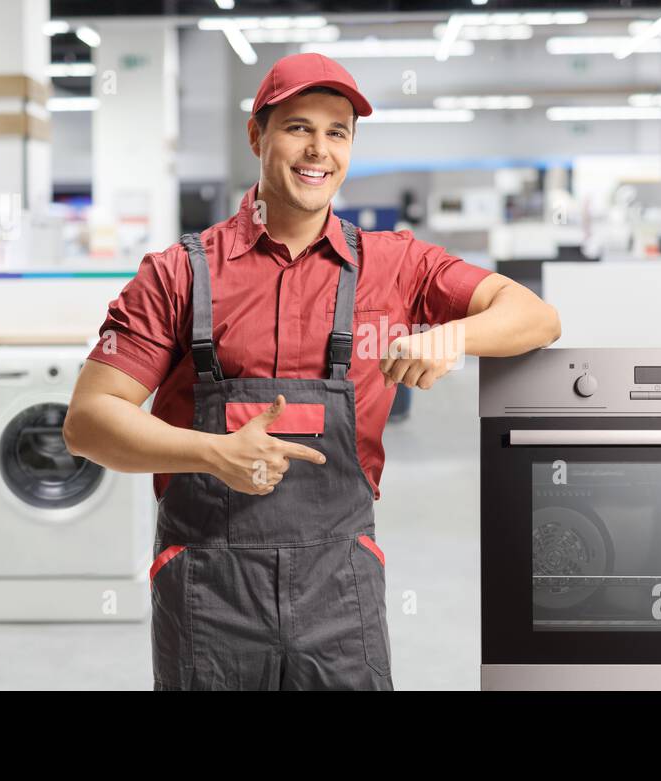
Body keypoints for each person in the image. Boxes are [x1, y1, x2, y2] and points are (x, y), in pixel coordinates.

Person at [63, 53, 560, 691]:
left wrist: (451, 336)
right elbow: (88, 422)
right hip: (210, 588)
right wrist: (212, 454)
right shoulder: (179, 273)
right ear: (257, 135)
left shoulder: (395, 265)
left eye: (337, 132)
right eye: (298, 127)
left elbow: (535, 316)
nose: (318, 150)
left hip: (339, 587)